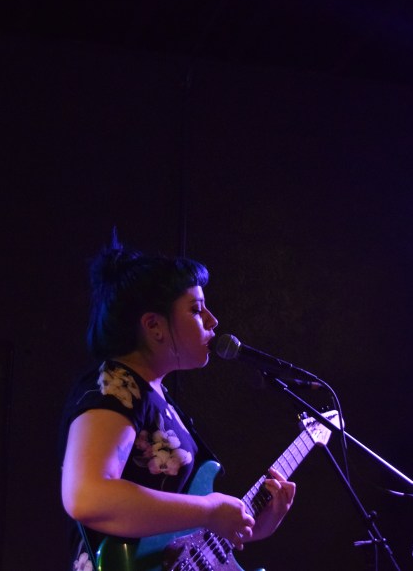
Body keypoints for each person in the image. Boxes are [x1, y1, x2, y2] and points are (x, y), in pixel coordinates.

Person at [59, 234, 296, 570]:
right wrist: (209, 511)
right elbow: (87, 496)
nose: (213, 320)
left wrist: (252, 526)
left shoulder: (154, 395)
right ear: (154, 325)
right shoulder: (115, 386)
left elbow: (172, 536)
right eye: (196, 309)